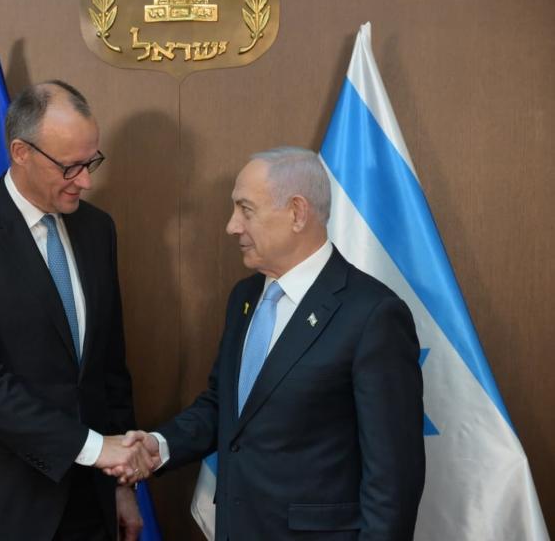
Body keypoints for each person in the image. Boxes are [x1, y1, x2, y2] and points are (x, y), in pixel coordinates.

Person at [126, 147, 426, 540]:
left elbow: (393, 479)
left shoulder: (372, 314)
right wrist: (160, 446)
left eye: (245, 210)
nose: (231, 226)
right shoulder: (245, 296)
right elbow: (225, 406)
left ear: (297, 213)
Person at [0, 80, 156, 541]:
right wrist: (93, 448)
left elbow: (109, 368)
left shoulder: (97, 229)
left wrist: (121, 486)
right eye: (70, 167)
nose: (86, 181)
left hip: (88, 500)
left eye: (91, 162)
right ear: (21, 152)